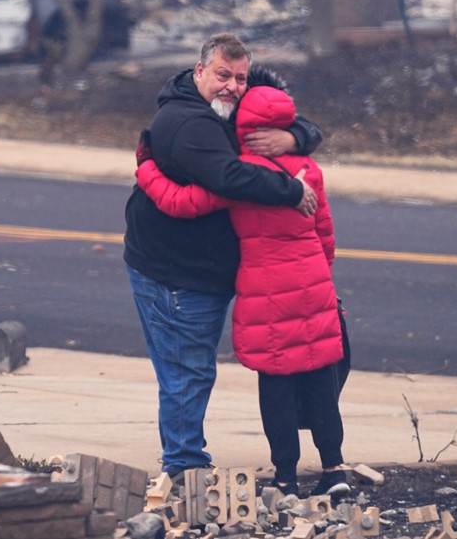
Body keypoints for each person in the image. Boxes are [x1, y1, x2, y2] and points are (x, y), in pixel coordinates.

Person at [123, 33, 323, 482]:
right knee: (186, 371)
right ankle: (184, 467)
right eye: (222, 75)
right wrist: (292, 190)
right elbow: (229, 175)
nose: (232, 86)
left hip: (206, 270)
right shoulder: (186, 122)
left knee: (190, 369)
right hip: (174, 272)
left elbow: (308, 127)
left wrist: (290, 138)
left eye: (240, 77)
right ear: (199, 72)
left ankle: (185, 459)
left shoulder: (235, 104)